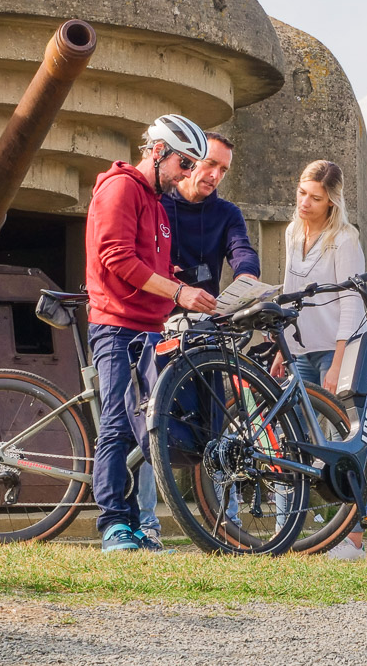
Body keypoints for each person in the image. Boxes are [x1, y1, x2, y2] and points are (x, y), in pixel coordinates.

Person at [85, 114, 218, 552]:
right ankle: (113, 523)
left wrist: (174, 280)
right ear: (157, 151)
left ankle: (140, 523)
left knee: (149, 427)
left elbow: (150, 267)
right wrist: (179, 292)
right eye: (183, 163)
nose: (187, 173)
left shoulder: (157, 207)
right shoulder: (120, 188)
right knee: (119, 425)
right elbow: (117, 259)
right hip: (117, 326)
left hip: (149, 328)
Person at [135, 131, 261, 547]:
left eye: (223, 170)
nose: (215, 176)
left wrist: (246, 278)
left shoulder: (226, 212)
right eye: (210, 164)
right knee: (150, 418)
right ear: (188, 160)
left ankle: (224, 523)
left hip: (206, 324)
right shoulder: (158, 203)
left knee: (215, 424)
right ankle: (146, 523)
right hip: (157, 321)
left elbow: (241, 249)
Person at [269, 159, 367, 559]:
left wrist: (341, 358)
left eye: (316, 198)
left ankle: (351, 538)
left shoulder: (344, 240)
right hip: (300, 348)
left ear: (332, 202)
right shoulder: (293, 232)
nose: (305, 203)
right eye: (302, 193)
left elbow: (352, 301)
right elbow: (291, 292)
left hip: (337, 348)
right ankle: (286, 534)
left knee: (343, 441)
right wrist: (282, 346)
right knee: (293, 439)